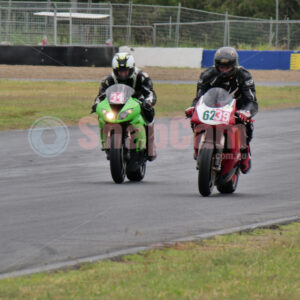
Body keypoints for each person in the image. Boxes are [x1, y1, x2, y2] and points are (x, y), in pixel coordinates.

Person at [185, 46, 258, 174]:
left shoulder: (244, 76)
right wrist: (193, 107)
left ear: (234, 65)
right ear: (216, 65)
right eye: (221, 67)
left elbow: (252, 101)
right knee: (193, 119)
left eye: (227, 67)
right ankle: (199, 148)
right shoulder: (207, 75)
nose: (224, 70)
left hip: (237, 109)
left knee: (247, 125)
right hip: (213, 107)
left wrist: (245, 112)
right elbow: (199, 97)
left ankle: (245, 152)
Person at [91, 52, 157, 160]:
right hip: (116, 106)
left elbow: (150, 93)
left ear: (132, 68)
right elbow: (100, 96)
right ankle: (106, 145)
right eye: (120, 71)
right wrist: (96, 104)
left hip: (136, 103)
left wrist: (148, 102)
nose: (123, 74)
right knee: (101, 116)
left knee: (149, 113)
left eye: (126, 71)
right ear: (114, 70)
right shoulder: (108, 80)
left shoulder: (142, 77)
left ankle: (150, 146)